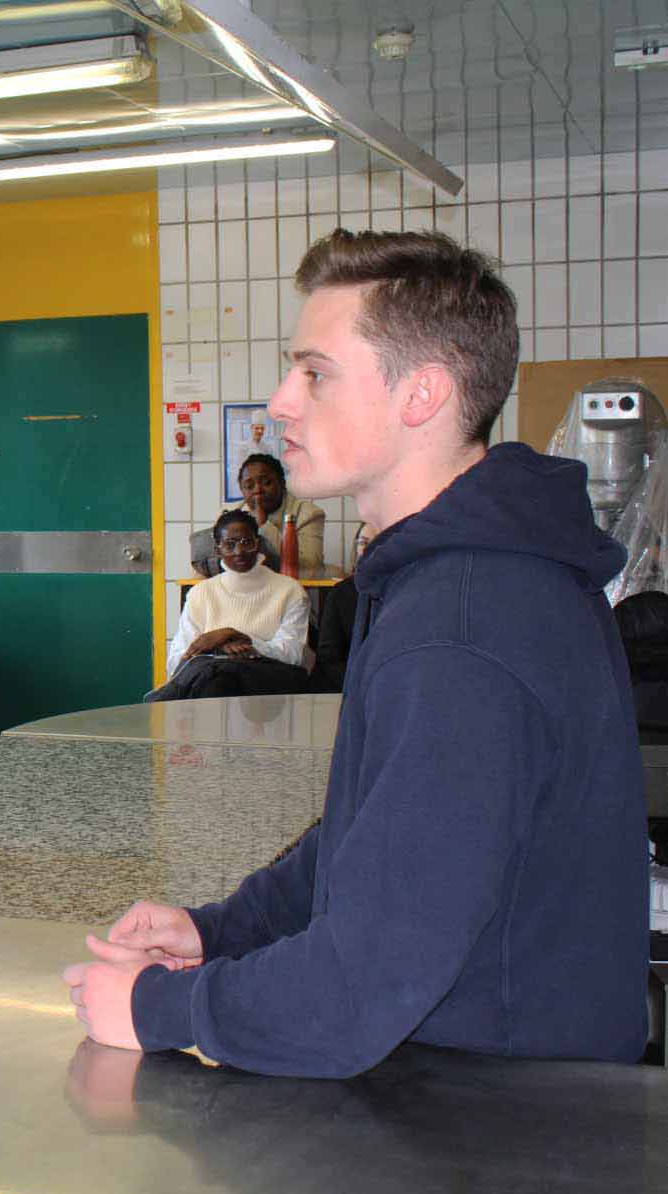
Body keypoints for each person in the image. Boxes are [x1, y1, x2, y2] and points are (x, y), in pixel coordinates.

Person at [64, 229, 647, 1076]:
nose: (280, 401)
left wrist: (159, 1008)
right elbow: (369, 841)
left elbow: (356, 993)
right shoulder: (440, 573)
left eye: (315, 372)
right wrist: (218, 928)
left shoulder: (463, 627)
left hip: (501, 1125)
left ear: (422, 394)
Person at [152, 509, 310, 701]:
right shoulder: (201, 593)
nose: (239, 551)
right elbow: (178, 661)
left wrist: (241, 639)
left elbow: (293, 655)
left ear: (258, 544)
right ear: (218, 550)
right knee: (218, 680)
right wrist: (219, 648)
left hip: (268, 690)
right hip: (211, 684)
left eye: (246, 542)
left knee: (220, 681)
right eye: (230, 545)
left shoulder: (290, 590)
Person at [188, 454, 327, 577]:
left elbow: (311, 571)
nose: (257, 490)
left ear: (282, 483)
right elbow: (208, 563)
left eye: (266, 482)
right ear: (242, 490)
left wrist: (263, 525)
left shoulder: (308, 514)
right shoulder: (231, 512)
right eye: (249, 486)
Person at [310, 525, 368, 693]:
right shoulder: (341, 593)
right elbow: (329, 658)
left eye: (378, 542)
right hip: (346, 686)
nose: (368, 550)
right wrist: (358, 686)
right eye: (363, 543)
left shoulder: (406, 592)